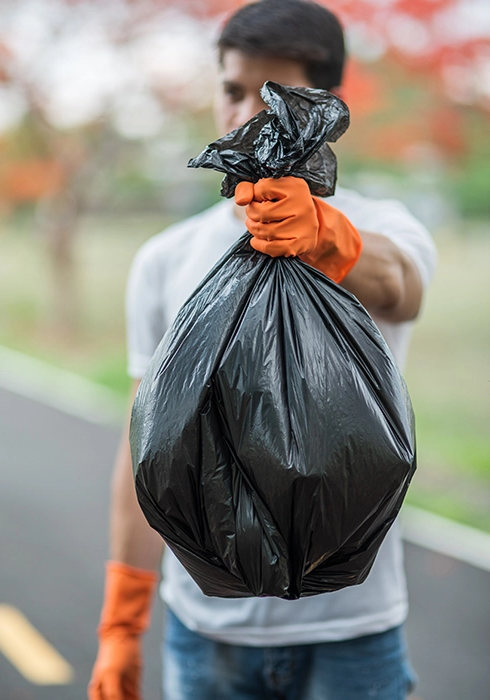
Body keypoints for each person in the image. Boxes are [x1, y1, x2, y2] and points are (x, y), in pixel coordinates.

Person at [88, 1, 437, 699]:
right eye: (232, 88)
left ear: (324, 101)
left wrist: (326, 235)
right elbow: (146, 446)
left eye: (273, 93)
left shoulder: (379, 225)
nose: (246, 110)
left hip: (352, 637)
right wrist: (122, 625)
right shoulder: (166, 260)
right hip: (206, 632)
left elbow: (400, 284)